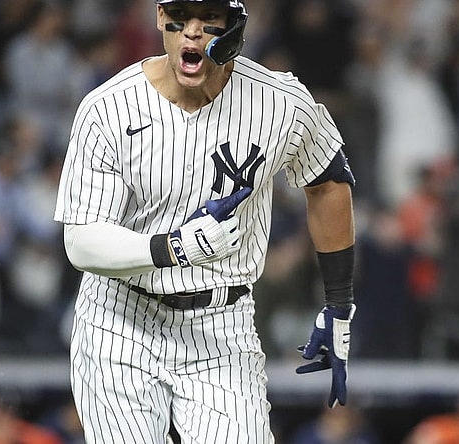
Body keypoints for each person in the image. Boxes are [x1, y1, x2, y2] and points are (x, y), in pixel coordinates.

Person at [53, 0, 358, 442]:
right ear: (161, 18)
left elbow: (328, 182)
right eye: (181, 16)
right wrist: (175, 246)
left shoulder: (278, 101)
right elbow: (81, 241)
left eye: (208, 18)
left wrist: (338, 301)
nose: (192, 31)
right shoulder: (109, 107)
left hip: (221, 325)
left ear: (235, 27)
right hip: (120, 320)